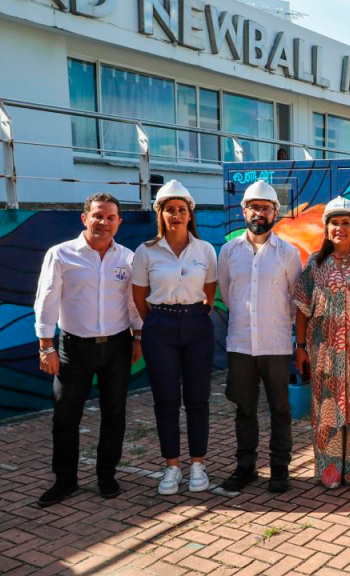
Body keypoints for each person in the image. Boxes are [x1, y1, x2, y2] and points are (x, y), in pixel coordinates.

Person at [33, 193, 142, 507]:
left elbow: (133, 302)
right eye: (98, 216)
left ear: (119, 223)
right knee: (65, 416)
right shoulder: (61, 254)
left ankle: (107, 475)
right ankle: (65, 481)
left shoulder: (128, 258)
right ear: (85, 218)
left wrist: (138, 337)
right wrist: (46, 346)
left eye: (110, 217)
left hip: (118, 347)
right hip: (73, 348)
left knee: (115, 414)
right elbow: (46, 300)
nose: (103, 222)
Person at [131, 180, 218, 495]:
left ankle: (198, 464)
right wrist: (156, 322)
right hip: (160, 326)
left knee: (197, 398)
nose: (176, 215)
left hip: (197, 325)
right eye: (170, 209)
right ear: (161, 214)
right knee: (166, 399)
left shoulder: (205, 250)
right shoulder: (146, 251)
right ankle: (171, 466)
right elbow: (139, 295)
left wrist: (193, 315)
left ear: (190, 214)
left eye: (182, 209)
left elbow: (210, 292)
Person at [217, 180, 302, 494]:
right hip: (240, 344)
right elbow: (228, 293)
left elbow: (295, 299)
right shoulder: (228, 251)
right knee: (244, 409)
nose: (259, 213)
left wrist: (274, 321)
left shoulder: (288, 253)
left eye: (265, 208)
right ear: (244, 211)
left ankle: (280, 468)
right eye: (254, 207)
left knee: (280, 408)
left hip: (275, 345)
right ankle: (246, 467)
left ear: (275, 212)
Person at [293, 196, 350, 489]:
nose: (340, 228)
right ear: (326, 228)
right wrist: (300, 348)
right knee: (327, 408)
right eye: (334, 223)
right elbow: (302, 307)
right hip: (324, 351)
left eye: (346, 223)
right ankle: (329, 470)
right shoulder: (315, 264)